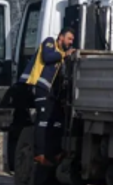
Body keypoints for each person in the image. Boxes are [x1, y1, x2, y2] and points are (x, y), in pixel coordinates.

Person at [21, 28, 77, 167]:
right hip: (40, 88)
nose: (70, 42)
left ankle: (54, 153)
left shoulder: (60, 53)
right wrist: (64, 55)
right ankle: (39, 154)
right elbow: (47, 57)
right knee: (43, 120)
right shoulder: (50, 42)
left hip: (51, 92)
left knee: (57, 120)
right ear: (61, 37)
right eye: (69, 39)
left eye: (72, 40)